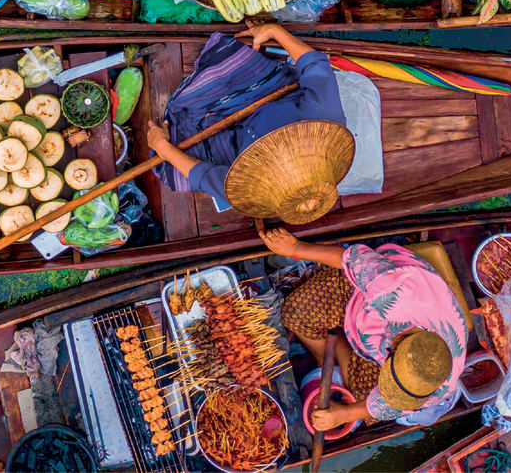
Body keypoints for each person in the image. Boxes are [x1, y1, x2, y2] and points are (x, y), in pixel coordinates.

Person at [261, 225, 467, 431]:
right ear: (392, 345)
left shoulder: (439, 380)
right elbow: (349, 259)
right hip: (361, 292)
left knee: (364, 404)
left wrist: (343, 414)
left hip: (372, 338)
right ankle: (331, 357)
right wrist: (296, 248)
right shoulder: (393, 292)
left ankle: (336, 357)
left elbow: (391, 405)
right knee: (296, 313)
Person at [148, 23, 345, 212]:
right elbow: (314, 65)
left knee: (171, 168)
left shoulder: (253, 191)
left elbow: (204, 177)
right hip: (270, 94)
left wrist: (164, 149)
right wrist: (274, 31)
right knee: (225, 68)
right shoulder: (324, 120)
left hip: (238, 144)